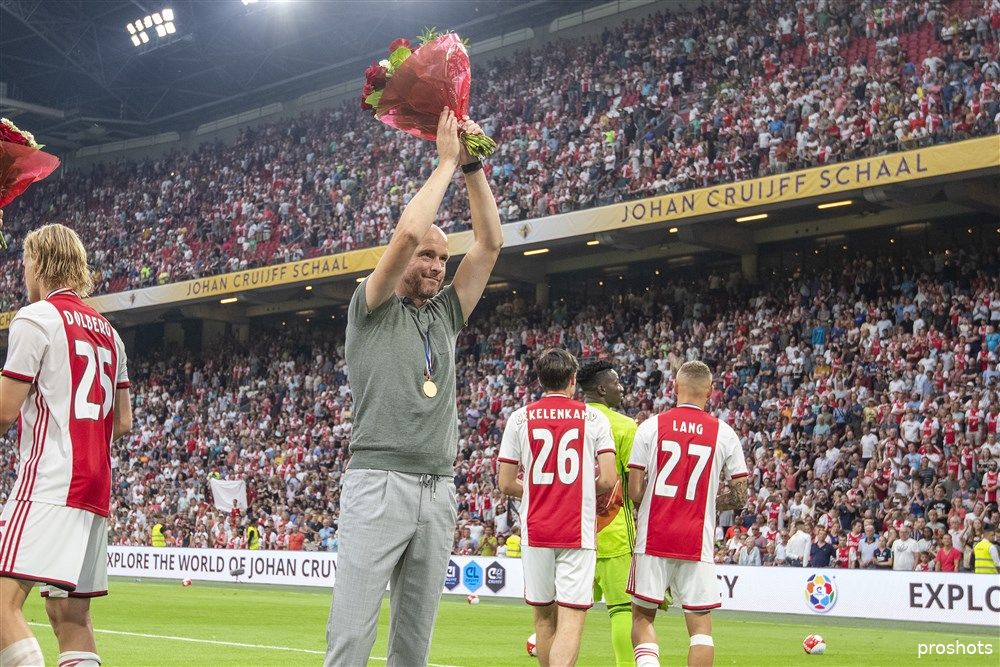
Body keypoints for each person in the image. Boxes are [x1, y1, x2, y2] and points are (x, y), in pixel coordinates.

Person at [324, 109, 502, 666]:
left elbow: (491, 244)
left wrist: (472, 166)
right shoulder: (371, 306)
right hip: (378, 482)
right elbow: (405, 231)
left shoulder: (446, 314)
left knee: (413, 648)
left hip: (438, 487)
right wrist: (445, 161)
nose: (435, 265)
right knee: (352, 637)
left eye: (442, 258)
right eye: (427, 255)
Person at [0, 224, 132, 667]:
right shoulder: (110, 333)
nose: (23, 273)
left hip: (50, 482)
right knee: (70, 618)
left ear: (38, 263)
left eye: (24, 263)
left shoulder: (34, 317)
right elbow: (123, 423)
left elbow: (4, 410)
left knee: (1, 605)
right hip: (94, 492)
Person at [497, 348, 617, 667]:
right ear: (573, 380)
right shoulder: (593, 418)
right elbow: (608, 478)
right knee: (571, 621)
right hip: (575, 532)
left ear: (540, 380)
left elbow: (506, 483)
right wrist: (575, 491)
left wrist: (541, 489)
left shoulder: (519, 418)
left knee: (543, 620)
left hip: (536, 531)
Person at [627, 361, 749, 667]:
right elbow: (739, 495)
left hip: (653, 536)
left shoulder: (650, 427)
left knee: (643, 618)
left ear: (674, 387)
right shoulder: (724, 433)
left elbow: (635, 491)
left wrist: (655, 502)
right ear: (710, 391)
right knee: (701, 628)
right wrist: (706, 503)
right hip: (697, 540)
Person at [577, 360, 638, 667]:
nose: (621, 387)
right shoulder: (625, 426)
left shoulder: (567, 422)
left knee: (566, 608)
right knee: (622, 609)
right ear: (601, 388)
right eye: (616, 383)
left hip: (570, 534)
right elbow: (638, 487)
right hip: (613, 532)